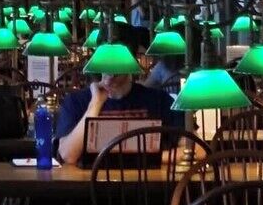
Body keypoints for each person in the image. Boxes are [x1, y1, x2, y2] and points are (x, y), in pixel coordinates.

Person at [55, 36, 179, 165]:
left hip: (144, 184)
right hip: (91, 184)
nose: (110, 74)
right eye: (104, 64)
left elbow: (195, 150)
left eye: (116, 69)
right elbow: (68, 156)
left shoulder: (158, 100)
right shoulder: (77, 101)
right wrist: (95, 104)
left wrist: (152, 159)